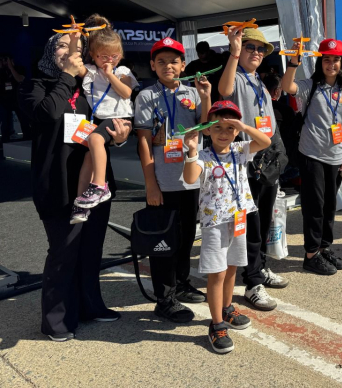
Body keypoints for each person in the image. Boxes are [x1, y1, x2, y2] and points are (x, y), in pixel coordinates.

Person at [20, 31, 131, 342]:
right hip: (57, 185)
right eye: (64, 46)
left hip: (94, 185)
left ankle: (90, 306)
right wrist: (67, 76)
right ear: (50, 52)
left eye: (78, 49)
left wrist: (119, 138)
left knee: (91, 249)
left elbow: (108, 121)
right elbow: (48, 113)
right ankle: (56, 320)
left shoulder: (90, 87)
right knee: (63, 251)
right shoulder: (35, 86)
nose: (73, 53)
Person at [183, 100, 271, 353]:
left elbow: (265, 141)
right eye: (218, 127)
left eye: (229, 128)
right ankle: (216, 324)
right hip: (214, 222)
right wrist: (191, 150)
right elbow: (190, 178)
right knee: (217, 273)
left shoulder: (240, 149)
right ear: (208, 130)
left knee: (232, 266)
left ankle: (226, 307)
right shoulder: (203, 156)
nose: (224, 133)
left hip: (238, 218)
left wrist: (243, 127)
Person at [134, 37, 212, 323]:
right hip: (163, 182)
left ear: (183, 65)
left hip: (191, 178)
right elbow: (144, 141)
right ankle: (164, 298)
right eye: (162, 61)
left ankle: (180, 282)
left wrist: (206, 96)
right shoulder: (146, 96)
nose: (168, 66)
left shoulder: (192, 92)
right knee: (163, 241)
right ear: (153, 66)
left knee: (186, 236)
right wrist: (151, 184)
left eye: (174, 61)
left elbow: (207, 126)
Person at [218, 26, 288, 309]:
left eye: (260, 49)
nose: (256, 53)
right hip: (246, 161)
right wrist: (234, 52)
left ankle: (260, 267)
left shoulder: (257, 79)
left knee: (265, 219)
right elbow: (224, 91)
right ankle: (252, 282)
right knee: (252, 223)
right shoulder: (234, 75)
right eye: (250, 47)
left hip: (267, 159)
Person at [281, 38, 342, 275]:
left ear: (341, 63)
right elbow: (287, 86)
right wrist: (293, 63)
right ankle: (311, 254)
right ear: (320, 62)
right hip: (312, 154)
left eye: (335, 60)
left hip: (337, 156)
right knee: (315, 206)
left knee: (330, 206)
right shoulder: (309, 85)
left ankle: (324, 248)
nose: (331, 64)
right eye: (326, 59)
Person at [71, 18, 139, 223]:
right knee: (88, 158)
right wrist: (74, 38)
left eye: (114, 56)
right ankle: (81, 204)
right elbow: (75, 61)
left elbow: (126, 93)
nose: (109, 60)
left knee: (94, 139)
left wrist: (110, 75)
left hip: (120, 118)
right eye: (103, 56)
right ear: (93, 55)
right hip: (100, 120)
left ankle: (100, 186)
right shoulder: (90, 72)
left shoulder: (122, 72)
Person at [0, 53, 29, 142]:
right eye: (2, 60)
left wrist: (11, 67)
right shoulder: (1, 71)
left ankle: (27, 137)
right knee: (5, 121)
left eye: (5, 60)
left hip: (18, 98)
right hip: (5, 99)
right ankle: (5, 140)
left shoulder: (19, 68)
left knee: (23, 120)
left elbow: (20, 79)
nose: (4, 62)